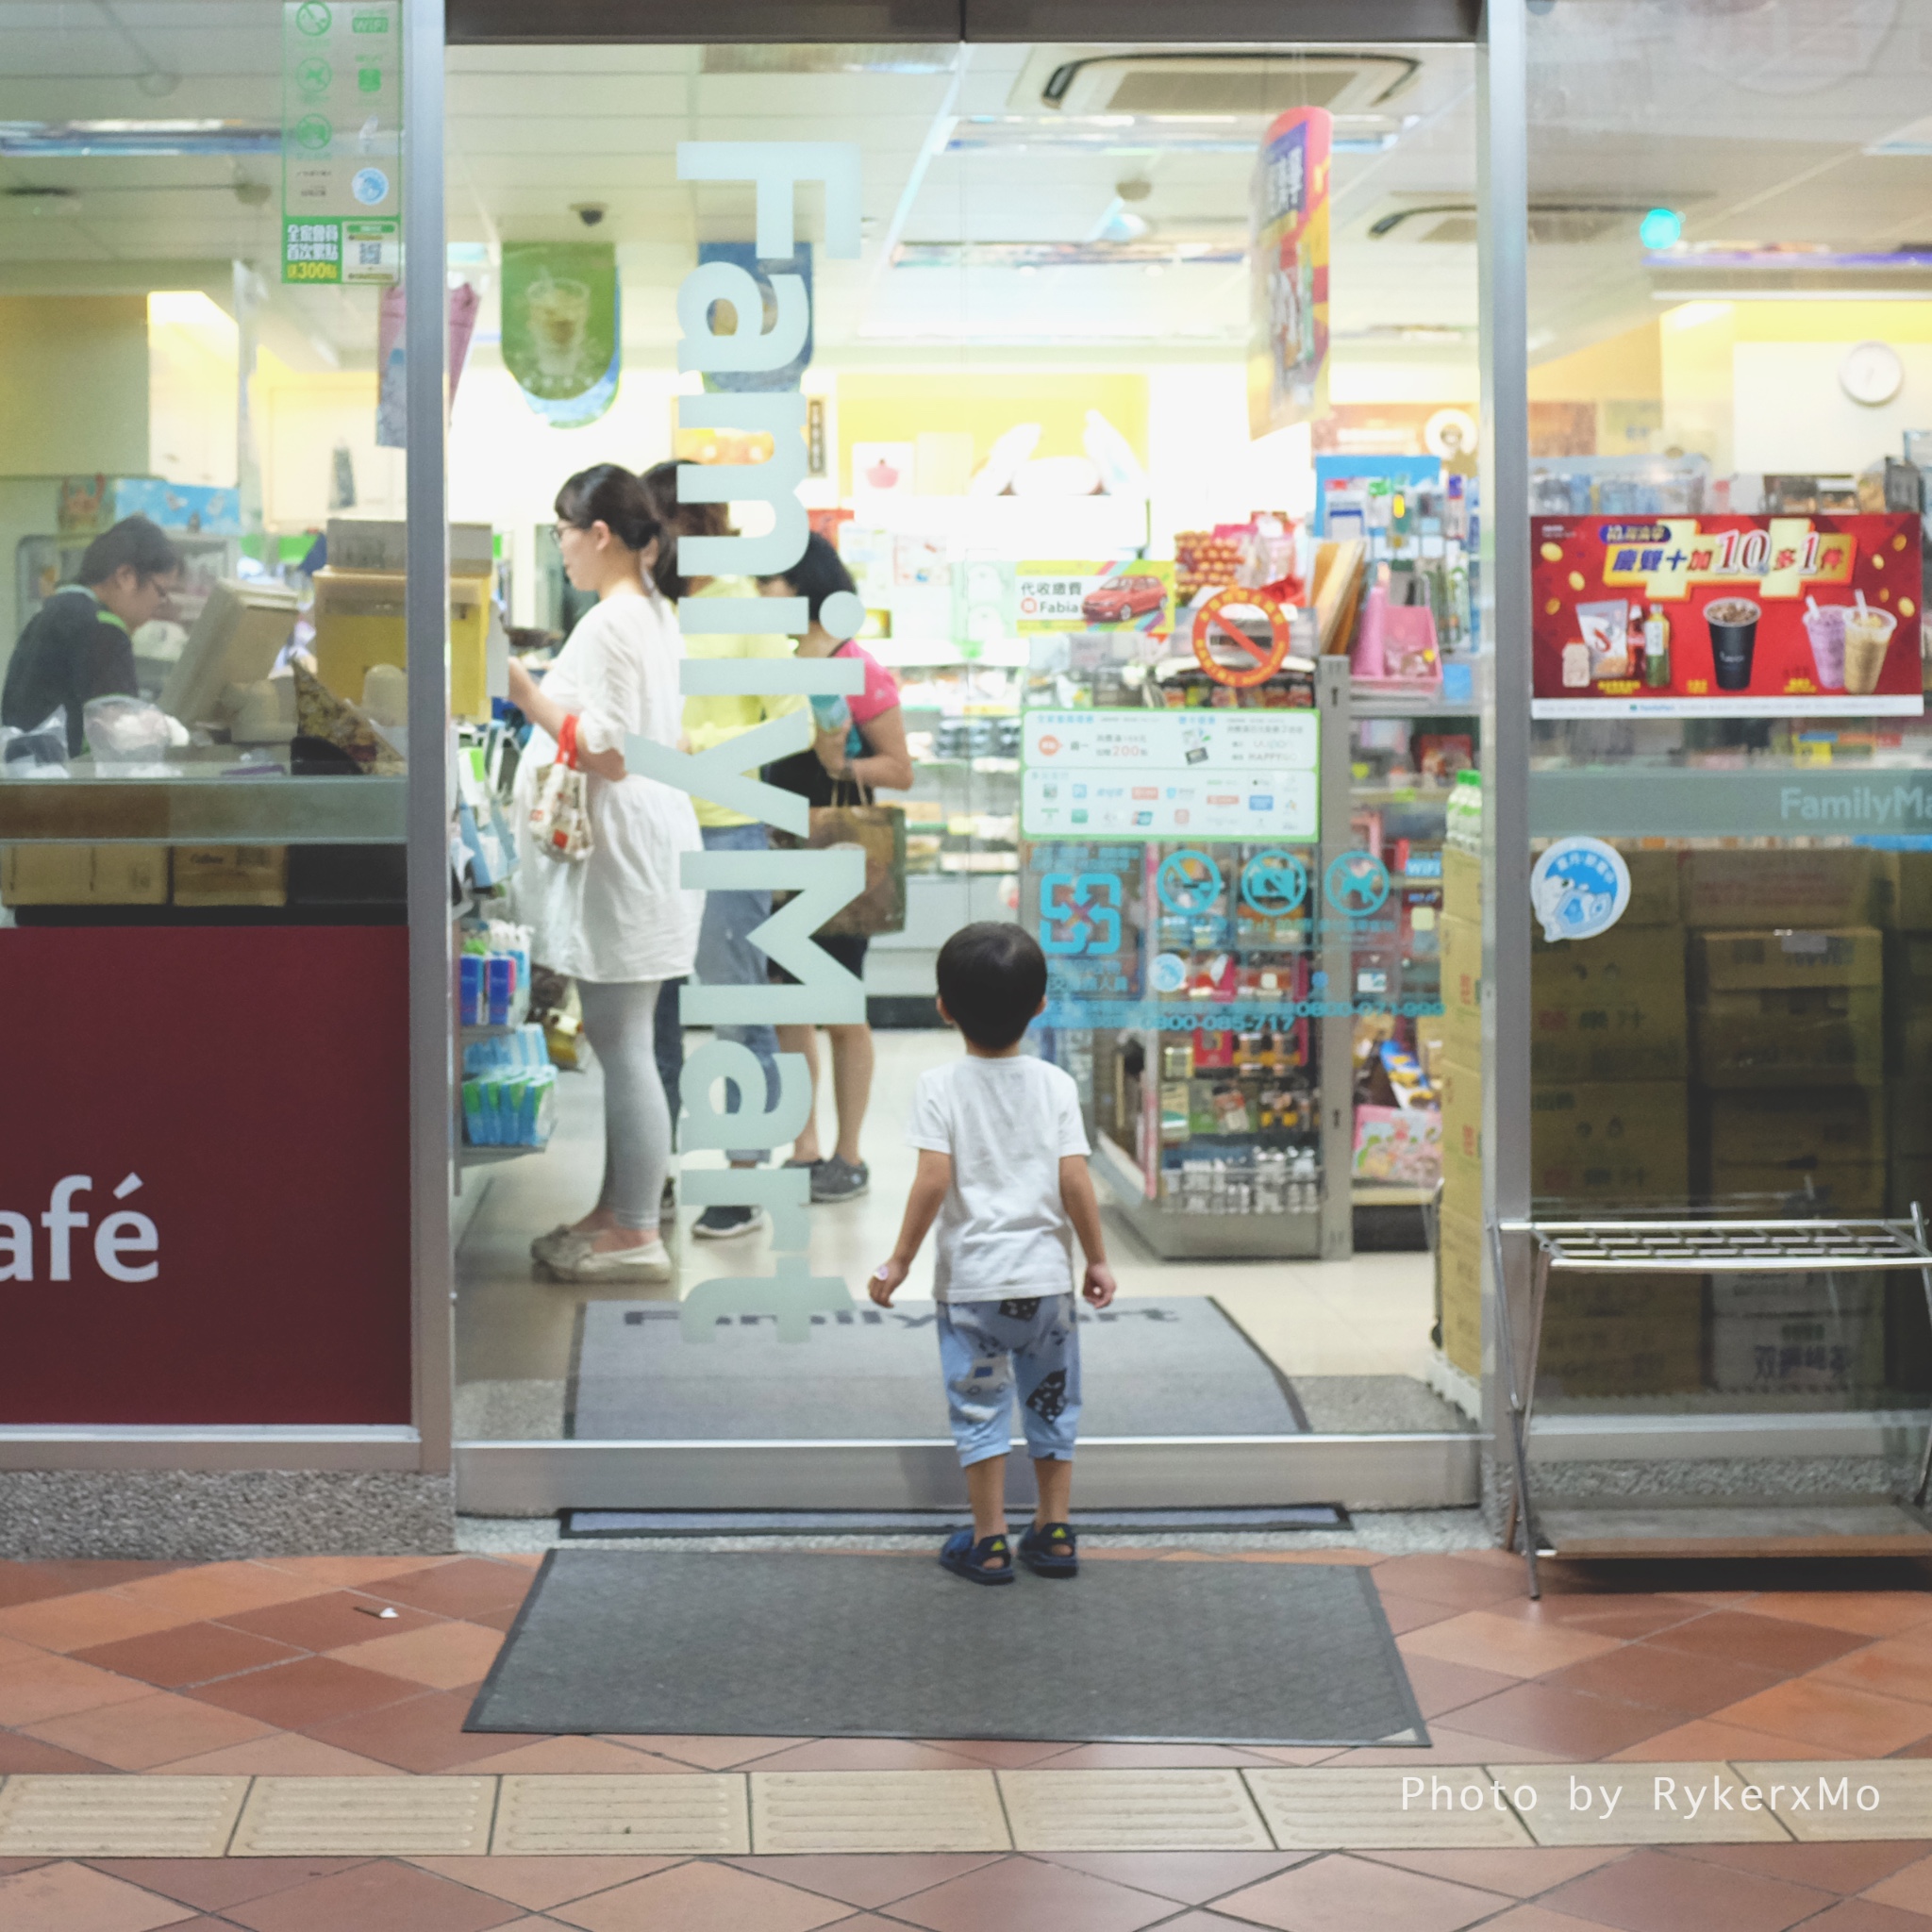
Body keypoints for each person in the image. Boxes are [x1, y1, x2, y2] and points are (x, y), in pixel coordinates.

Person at [870, 923, 1117, 1584]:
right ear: (1041, 1005)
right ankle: (1055, 1529)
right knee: (1052, 1401)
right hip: (1045, 1286)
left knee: (979, 1408)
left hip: (973, 1287)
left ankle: (988, 1539)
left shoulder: (939, 1086)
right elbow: (1074, 1181)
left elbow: (932, 1180)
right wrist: (1095, 1257)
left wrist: (898, 1260)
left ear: (943, 1006)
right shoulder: (1055, 1086)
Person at [506, 464, 702, 1283]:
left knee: (625, 1048)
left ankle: (635, 1233)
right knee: (625, 1042)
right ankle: (615, 1212)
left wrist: (522, 692)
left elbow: (610, 752)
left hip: (629, 852)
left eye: (562, 530)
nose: (559, 547)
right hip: (646, 847)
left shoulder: (615, 623)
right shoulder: (650, 613)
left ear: (600, 534)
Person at [639, 460, 803, 1241]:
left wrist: (696, 744)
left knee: (738, 1007)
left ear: (692, 524)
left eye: (656, 522)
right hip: (649, 828)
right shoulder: (647, 610)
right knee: (654, 1010)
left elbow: (792, 721)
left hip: (727, 829)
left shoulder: (748, 607)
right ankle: (654, 1172)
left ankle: (743, 1178)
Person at [757, 532, 912, 1205]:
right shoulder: (772, 662)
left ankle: (849, 1155)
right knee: (789, 1003)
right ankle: (805, 1147)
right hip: (776, 847)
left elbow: (900, 769)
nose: (762, 594)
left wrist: (840, 764)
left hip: (843, 846)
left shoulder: (857, 666)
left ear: (805, 585)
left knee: (843, 1007)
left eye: (772, 581)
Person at [2, 515, 181, 755]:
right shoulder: (104, 626)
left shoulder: (47, 615)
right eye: (161, 592)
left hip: (25, 781)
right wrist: (172, 729)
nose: (159, 605)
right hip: (71, 786)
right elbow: (122, 733)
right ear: (126, 576)